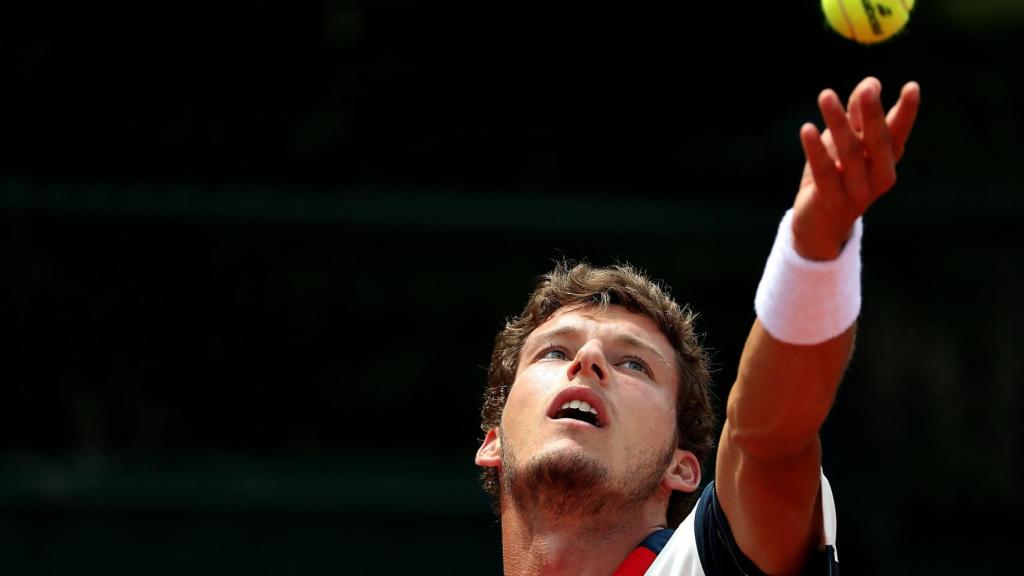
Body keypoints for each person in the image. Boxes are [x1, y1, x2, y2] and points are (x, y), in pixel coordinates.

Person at [475, 76, 921, 576]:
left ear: (682, 468)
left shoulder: (703, 563)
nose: (589, 360)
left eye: (634, 363)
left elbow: (768, 442)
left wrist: (813, 254)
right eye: (554, 352)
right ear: (492, 441)